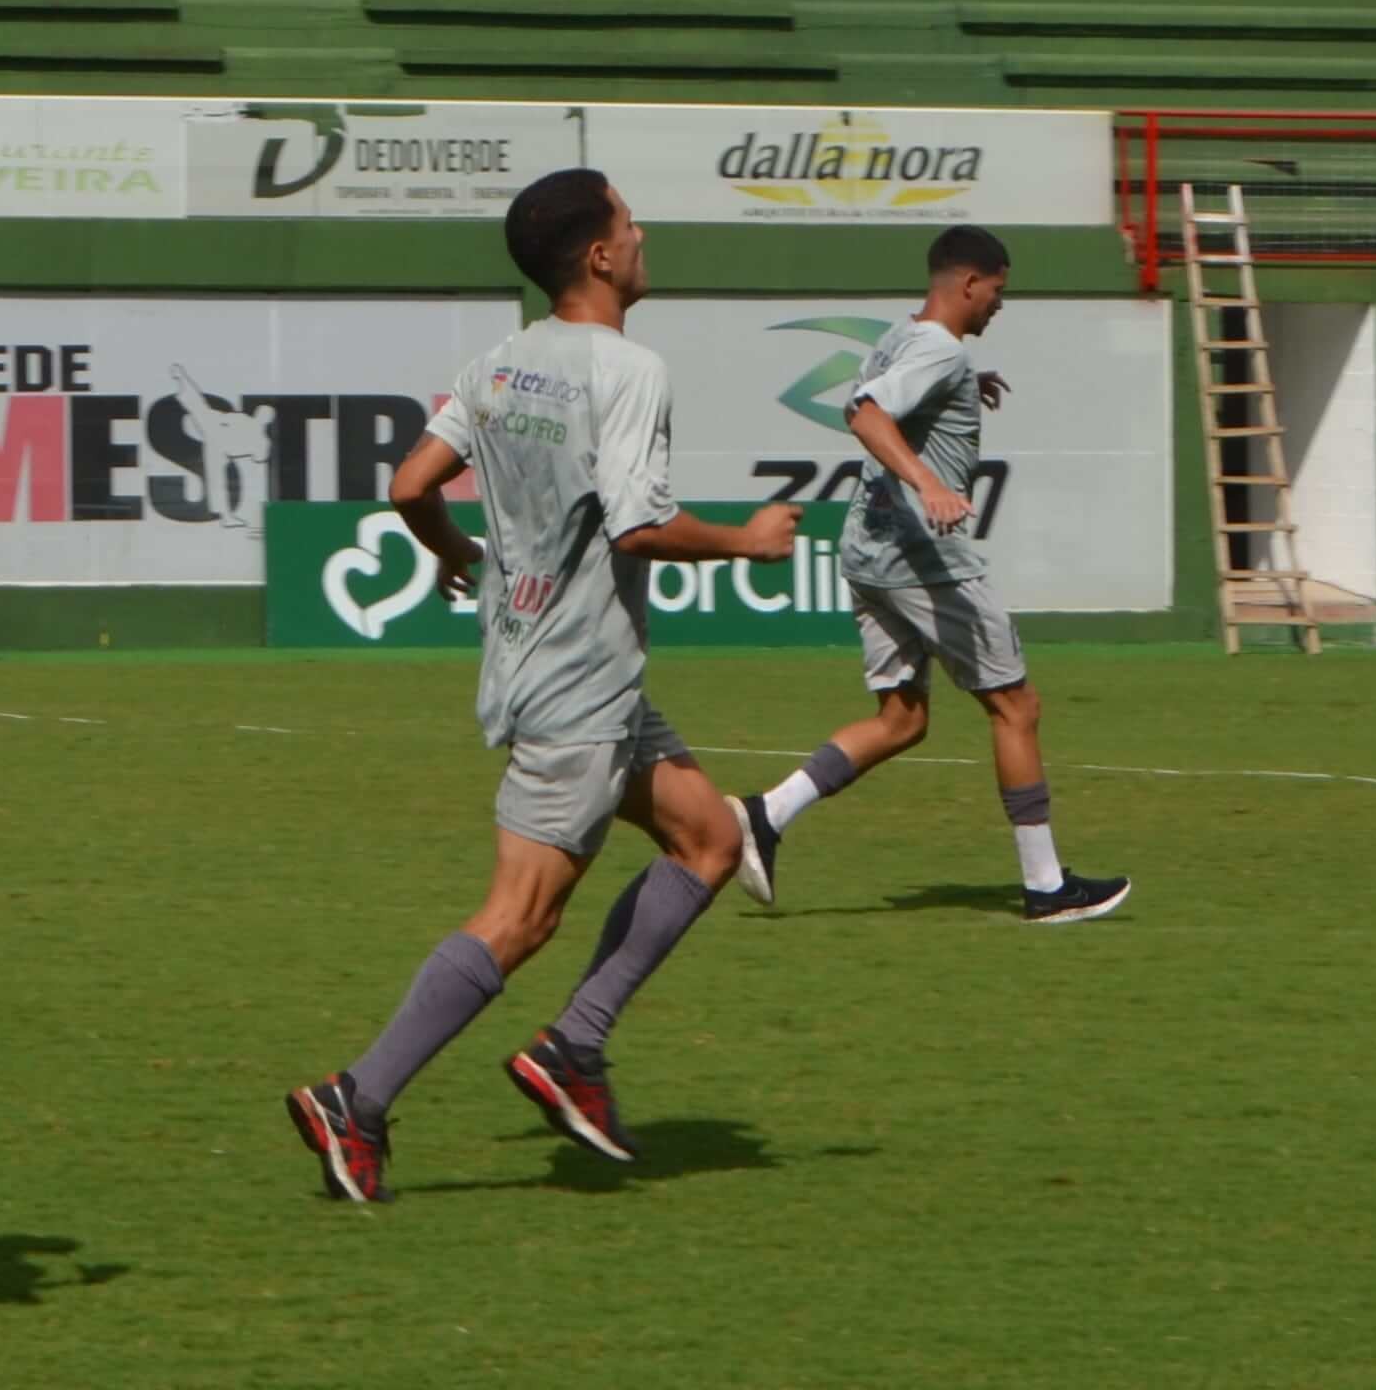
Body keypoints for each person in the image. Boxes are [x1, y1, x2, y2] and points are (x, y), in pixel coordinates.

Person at [284, 169, 802, 1206]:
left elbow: (407, 485)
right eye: (628, 220)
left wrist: (449, 553)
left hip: (558, 667)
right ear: (599, 258)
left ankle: (576, 1042)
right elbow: (640, 526)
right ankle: (359, 1097)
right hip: (577, 686)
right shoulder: (630, 369)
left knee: (709, 837)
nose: (643, 231)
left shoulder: (498, 365)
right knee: (518, 918)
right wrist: (747, 538)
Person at [734, 228, 1129, 925]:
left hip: (868, 549)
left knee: (903, 719)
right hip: (922, 556)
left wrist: (963, 390)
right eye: (998, 291)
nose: (999, 306)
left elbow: (875, 389)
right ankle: (1045, 888)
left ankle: (766, 814)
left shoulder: (904, 337)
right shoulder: (940, 350)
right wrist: (929, 485)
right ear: (969, 283)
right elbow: (863, 411)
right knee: (1016, 707)